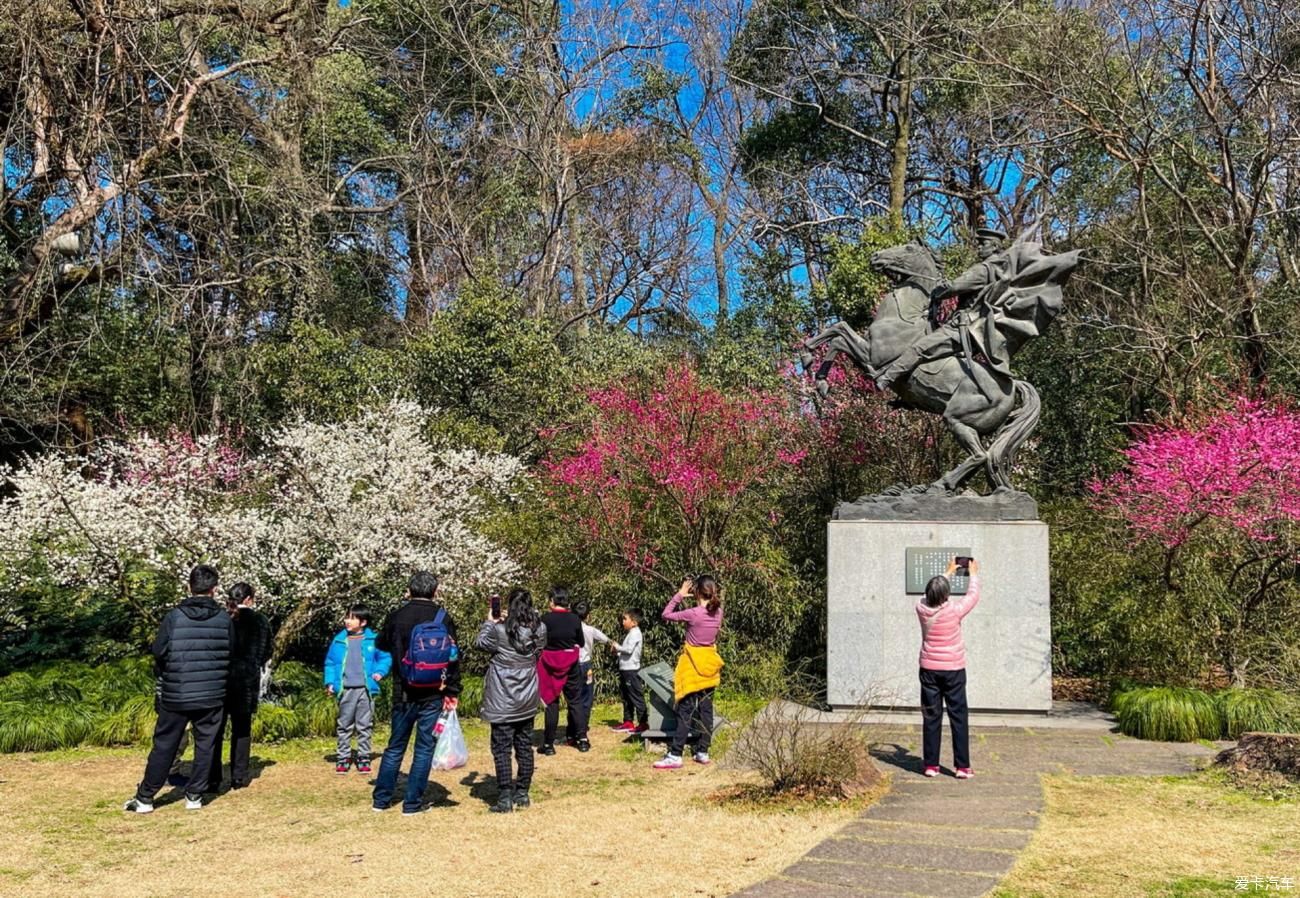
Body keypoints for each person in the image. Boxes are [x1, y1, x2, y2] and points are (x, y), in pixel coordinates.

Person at [124, 564, 235, 813]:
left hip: (177, 692)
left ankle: (145, 798)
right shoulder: (224, 619)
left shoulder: (174, 617)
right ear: (214, 590)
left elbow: (159, 651)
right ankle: (194, 795)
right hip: (212, 693)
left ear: (189, 587)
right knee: (206, 744)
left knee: (165, 743)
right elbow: (231, 652)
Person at [873, 226, 1010, 392]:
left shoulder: (983, 270)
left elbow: (953, 288)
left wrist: (938, 287)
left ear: (995, 247)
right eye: (978, 243)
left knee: (920, 347)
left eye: (983, 243)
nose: (979, 247)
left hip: (962, 327)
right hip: (971, 327)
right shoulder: (997, 270)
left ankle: (886, 378)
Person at [372, 571, 461, 815]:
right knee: (424, 748)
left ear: (409, 590)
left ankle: (381, 800)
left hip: (403, 690)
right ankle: (412, 803)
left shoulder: (397, 616)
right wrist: (452, 690)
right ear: (435, 591)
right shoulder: (443, 618)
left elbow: (381, 644)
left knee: (395, 746)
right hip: (434, 691)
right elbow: (453, 658)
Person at [475, 588, 547, 813]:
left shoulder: (499, 630)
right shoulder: (540, 628)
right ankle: (522, 793)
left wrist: (490, 621)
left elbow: (480, 643)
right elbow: (538, 653)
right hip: (527, 696)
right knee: (524, 746)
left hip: (502, 698)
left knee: (501, 748)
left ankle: (505, 795)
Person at [917, 559, 983, 779]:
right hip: (953, 669)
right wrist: (972, 574)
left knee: (931, 716)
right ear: (946, 596)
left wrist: (946, 573)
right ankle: (962, 767)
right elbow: (972, 597)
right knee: (958, 716)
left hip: (928, 669)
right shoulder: (954, 611)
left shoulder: (921, 608)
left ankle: (931, 765)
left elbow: (933, 593)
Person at [207, 582, 272, 791]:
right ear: (249, 599)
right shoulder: (260, 621)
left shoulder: (221, 619)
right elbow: (267, 651)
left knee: (214, 730)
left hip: (221, 680)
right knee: (242, 729)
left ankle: (212, 777)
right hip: (245, 681)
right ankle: (239, 776)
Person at [654, 575, 724, 770]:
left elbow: (666, 614)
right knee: (706, 710)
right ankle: (703, 751)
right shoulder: (718, 612)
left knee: (685, 711)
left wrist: (679, 594)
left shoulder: (693, 613)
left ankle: (675, 754)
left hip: (692, 665)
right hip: (709, 664)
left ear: (697, 592)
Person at [324, 604, 391, 775]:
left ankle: (363, 756)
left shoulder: (374, 640)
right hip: (345, 689)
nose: (347, 620)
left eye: (352, 618)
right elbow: (330, 663)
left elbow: (385, 657)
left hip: (366, 690)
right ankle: (343, 757)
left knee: (364, 725)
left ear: (363, 622)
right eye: (347, 617)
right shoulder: (339, 641)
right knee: (344, 725)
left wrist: (379, 672)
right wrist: (330, 682)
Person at [536, 587, 585, 755]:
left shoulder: (544, 619)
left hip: (550, 663)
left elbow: (538, 641)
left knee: (551, 702)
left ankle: (549, 744)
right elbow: (581, 642)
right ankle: (582, 739)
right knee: (575, 701)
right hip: (570, 663)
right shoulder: (574, 619)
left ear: (552, 601)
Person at [565, 600, 609, 746]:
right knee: (586, 699)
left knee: (573, 699)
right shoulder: (590, 630)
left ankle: (571, 733)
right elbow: (605, 639)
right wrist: (616, 646)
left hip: (571, 665)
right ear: (588, 616)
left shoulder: (568, 629)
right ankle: (582, 730)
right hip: (586, 666)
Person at [610, 608, 647, 734]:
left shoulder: (635, 633)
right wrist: (618, 652)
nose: (623, 622)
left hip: (632, 670)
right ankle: (628, 721)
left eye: (625, 619)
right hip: (625, 669)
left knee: (636, 696)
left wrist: (617, 647)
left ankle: (643, 723)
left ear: (634, 622)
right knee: (626, 697)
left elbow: (629, 650)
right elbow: (625, 652)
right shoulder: (631, 633)